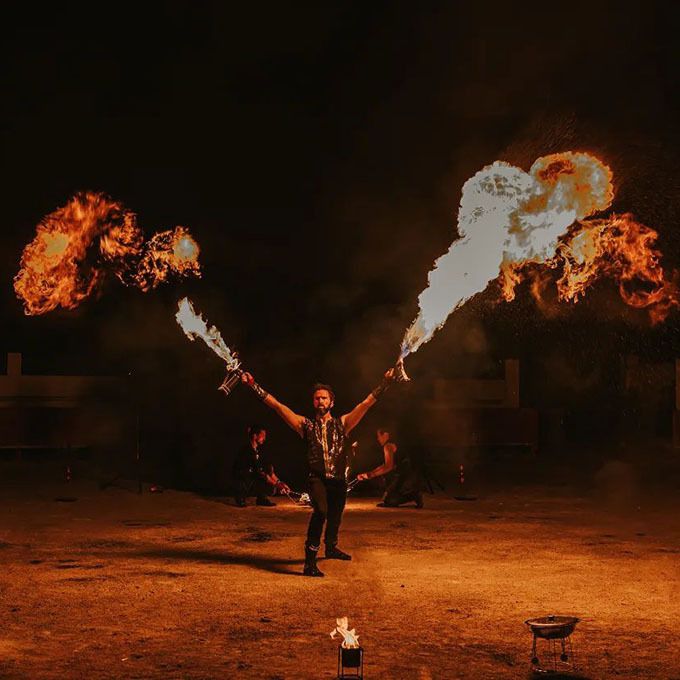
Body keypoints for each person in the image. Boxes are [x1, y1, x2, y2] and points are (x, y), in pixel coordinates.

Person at [240, 368, 397, 577]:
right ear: (313, 402)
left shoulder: (343, 423)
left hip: (338, 479)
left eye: (324, 398)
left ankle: (331, 547)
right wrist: (253, 385)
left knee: (336, 515)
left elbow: (366, 404)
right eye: (317, 398)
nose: (320, 401)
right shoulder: (305, 425)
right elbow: (277, 406)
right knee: (321, 512)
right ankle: (310, 562)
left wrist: (385, 383)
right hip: (317, 479)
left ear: (332, 402)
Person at [357, 428, 423, 508]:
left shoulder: (388, 446)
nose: (378, 439)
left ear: (386, 435)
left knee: (390, 501)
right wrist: (368, 474)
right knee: (388, 498)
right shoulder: (392, 443)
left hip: (406, 474)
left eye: (379, 436)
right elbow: (384, 465)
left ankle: (415, 495)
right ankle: (411, 494)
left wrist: (371, 475)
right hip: (407, 472)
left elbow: (388, 466)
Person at [232, 424, 290, 507]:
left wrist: (280, 482)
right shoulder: (247, 451)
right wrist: (277, 485)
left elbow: (267, 469)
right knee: (258, 475)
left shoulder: (257, 451)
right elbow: (259, 472)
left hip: (251, 478)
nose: (264, 438)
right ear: (255, 436)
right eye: (262, 436)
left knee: (268, 468)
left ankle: (261, 499)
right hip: (243, 480)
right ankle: (240, 497)